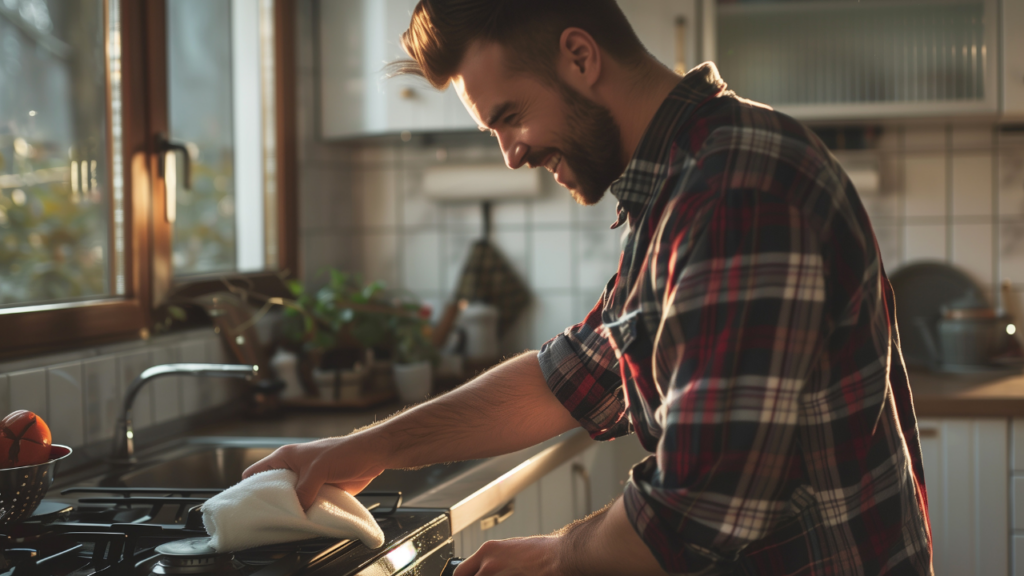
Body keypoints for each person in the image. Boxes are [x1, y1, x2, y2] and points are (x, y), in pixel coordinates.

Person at [244, 1, 934, 574]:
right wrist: (353, 454)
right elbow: (572, 377)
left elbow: (701, 508)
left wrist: (558, 554)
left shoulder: (734, 191)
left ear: (580, 56)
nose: (510, 155)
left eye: (510, 117)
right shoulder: (676, 186)